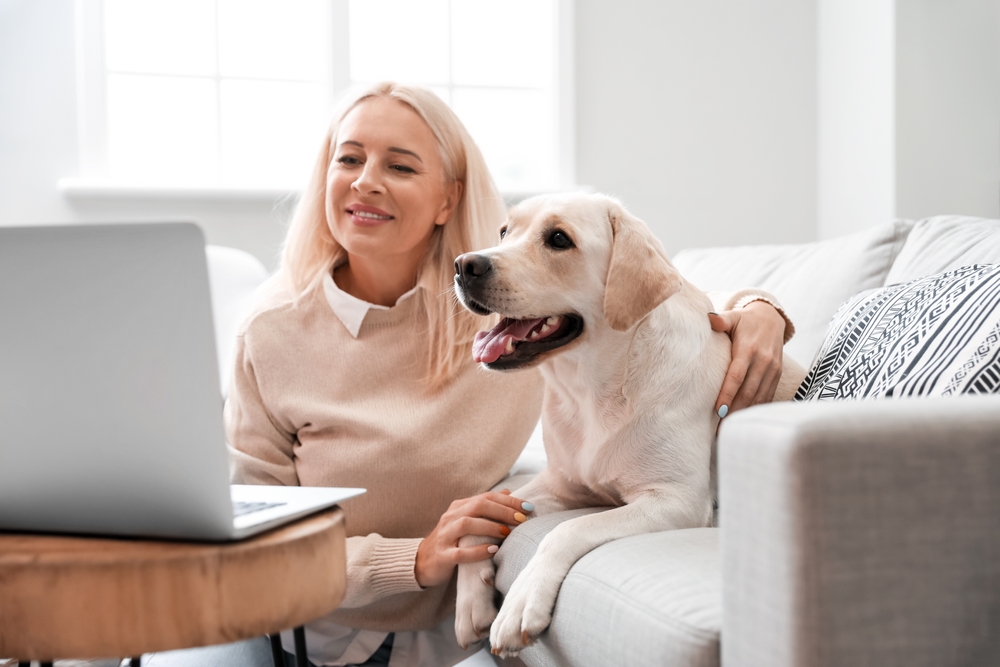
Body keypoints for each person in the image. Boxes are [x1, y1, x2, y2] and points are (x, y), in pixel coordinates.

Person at [146, 82, 791, 667]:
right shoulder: (271, 331)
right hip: (303, 628)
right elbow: (247, 543)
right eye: (348, 159)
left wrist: (760, 308)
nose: (366, 181)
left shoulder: (506, 312)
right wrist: (417, 558)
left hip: (445, 644)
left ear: (446, 198)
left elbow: (652, 318)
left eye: (400, 165)